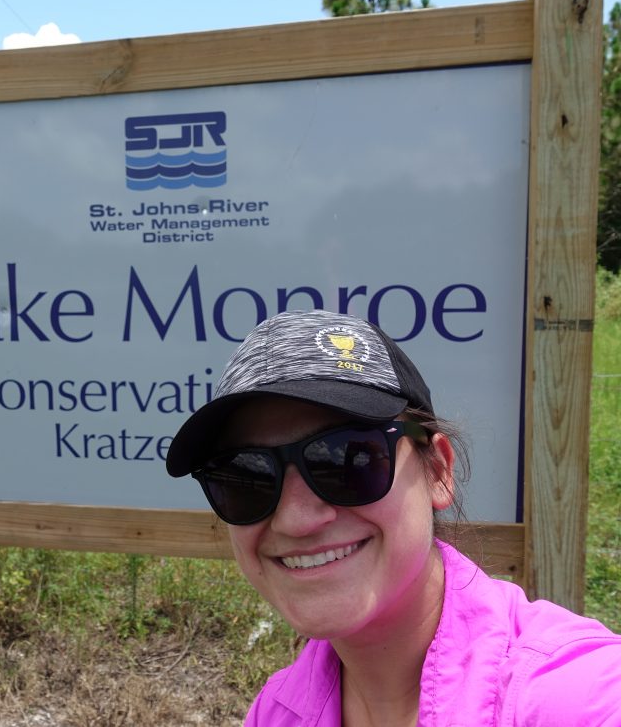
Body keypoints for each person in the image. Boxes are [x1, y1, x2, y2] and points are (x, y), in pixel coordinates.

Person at [164, 309, 621, 727]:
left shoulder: (574, 696)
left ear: (438, 472)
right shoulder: (275, 711)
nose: (295, 520)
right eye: (245, 476)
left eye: (348, 460)